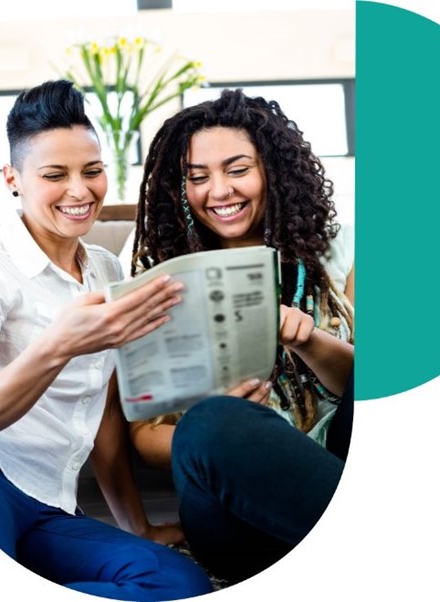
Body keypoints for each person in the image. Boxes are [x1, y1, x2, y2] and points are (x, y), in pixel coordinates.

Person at [0, 79, 212, 601]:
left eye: (92, 171)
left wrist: (139, 527)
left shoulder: (109, 271)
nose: (79, 191)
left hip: (48, 504)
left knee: (177, 581)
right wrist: (60, 343)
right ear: (12, 179)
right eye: (54, 175)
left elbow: (104, 418)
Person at [126, 88, 355, 584]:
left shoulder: (338, 249)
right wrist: (219, 419)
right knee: (212, 422)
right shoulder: (154, 267)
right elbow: (143, 437)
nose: (219, 191)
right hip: (235, 511)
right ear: (178, 187)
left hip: (337, 459)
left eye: (237, 169)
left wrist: (310, 341)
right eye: (198, 177)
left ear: (271, 169)